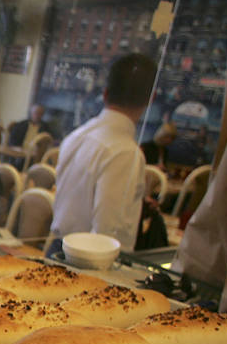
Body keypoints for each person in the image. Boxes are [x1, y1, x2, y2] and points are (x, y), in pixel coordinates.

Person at [49, 53, 158, 255]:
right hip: (85, 261)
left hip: (59, 249)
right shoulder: (124, 152)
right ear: (151, 99)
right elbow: (108, 238)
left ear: (105, 93)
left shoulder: (77, 135)